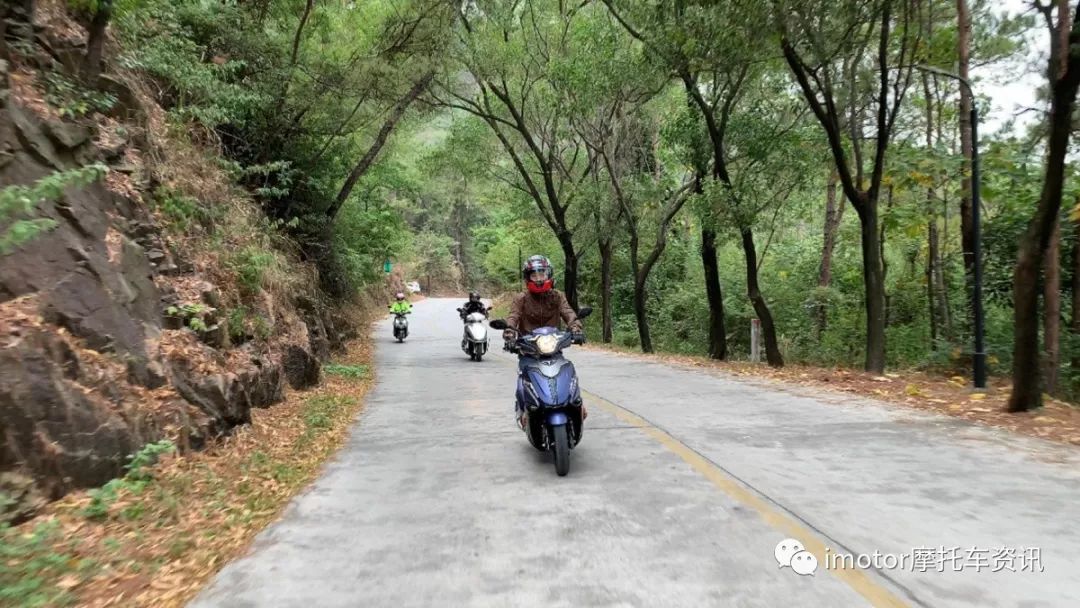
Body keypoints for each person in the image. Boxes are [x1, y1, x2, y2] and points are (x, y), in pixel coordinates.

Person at [504, 255, 584, 428]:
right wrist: (510, 333)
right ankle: (524, 409)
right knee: (524, 377)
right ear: (528, 277)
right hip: (529, 350)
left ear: (549, 274)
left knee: (568, 372)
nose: (539, 278)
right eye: (534, 275)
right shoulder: (521, 298)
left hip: (554, 348)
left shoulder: (557, 296)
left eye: (542, 273)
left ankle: (577, 403)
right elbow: (513, 316)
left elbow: (568, 312)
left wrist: (576, 327)